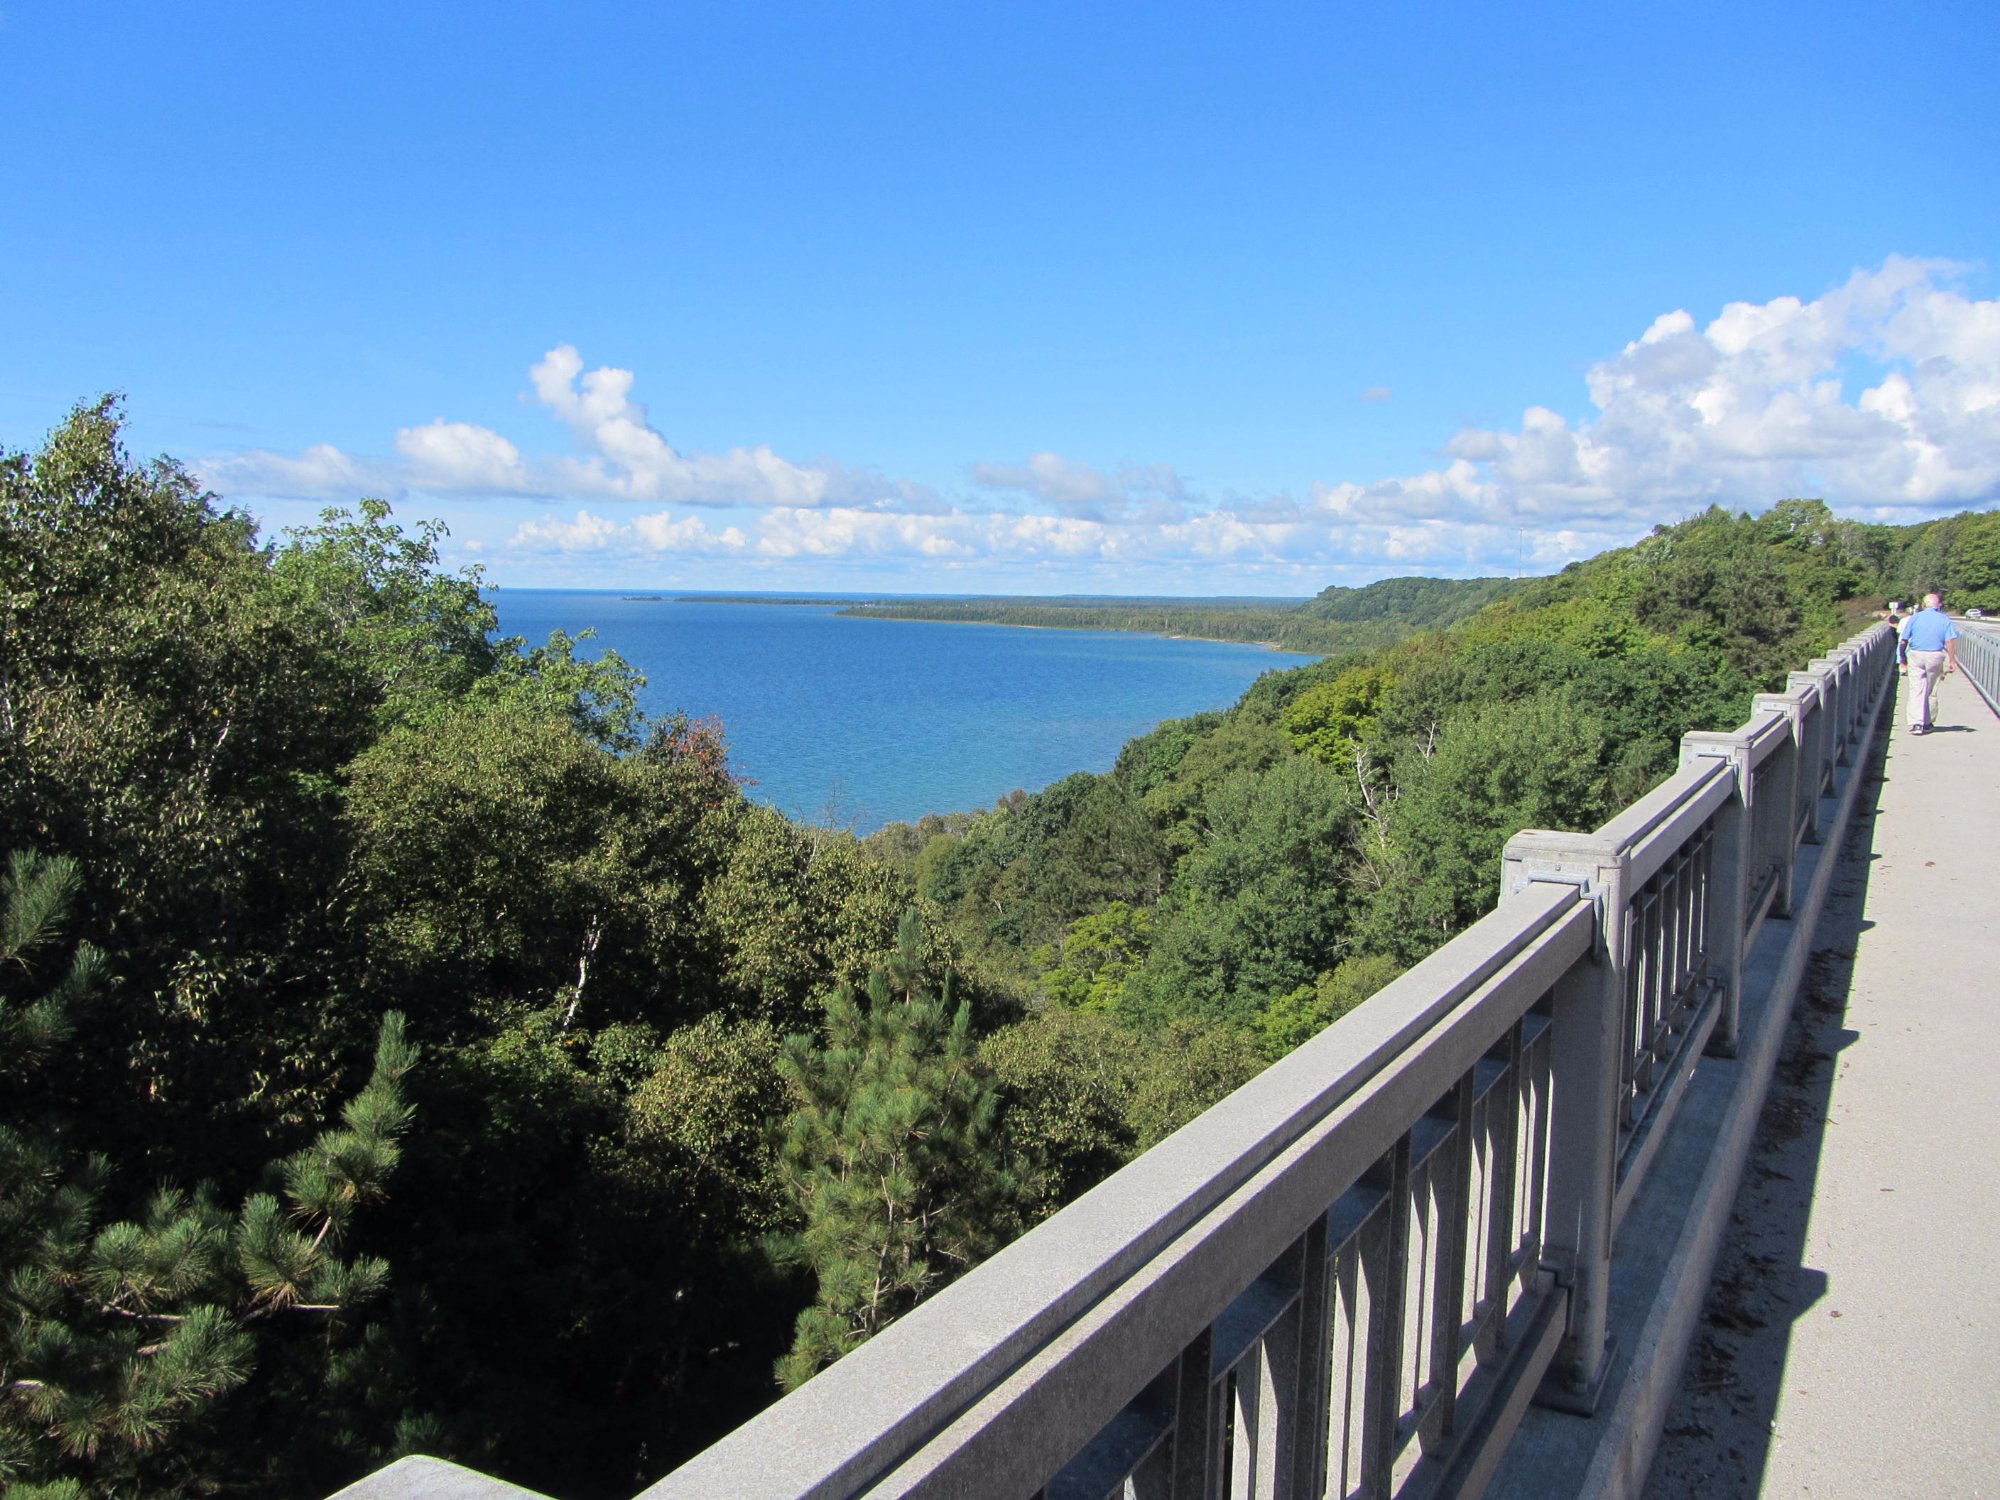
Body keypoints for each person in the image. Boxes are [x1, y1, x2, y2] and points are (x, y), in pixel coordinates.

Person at [1897, 591, 1959, 735]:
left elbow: (1904, 640)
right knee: (1931, 690)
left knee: (1916, 689)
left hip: (1916, 654)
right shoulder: (1944, 619)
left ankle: (1915, 724)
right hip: (1935, 656)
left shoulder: (1915, 618)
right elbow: (1949, 641)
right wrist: (1952, 660)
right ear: (1938, 605)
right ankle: (1927, 722)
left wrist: (1902, 659)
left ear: (1924, 605)